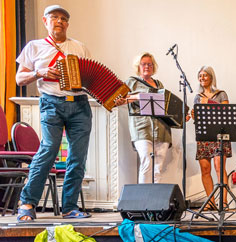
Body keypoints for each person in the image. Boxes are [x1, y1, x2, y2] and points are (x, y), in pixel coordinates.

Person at [14, 5, 125, 221]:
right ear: (46, 22)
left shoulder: (79, 47)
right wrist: (40, 72)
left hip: (80, 105)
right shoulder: (34, 47)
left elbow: (90, 80)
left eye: (64, 18)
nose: (59, 21)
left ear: (67, 24)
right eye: (54, 17)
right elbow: (19, 79)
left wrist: (110, 96)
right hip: (51, 103)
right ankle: (27, 203)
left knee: (78, 157)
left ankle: (70, 207)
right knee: (48, 150)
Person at [124, 53, 172, 184]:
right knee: (146, 162)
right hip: (141, 127)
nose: (147, 66)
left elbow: (165, 104)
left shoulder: (159, 84)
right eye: (144, 64)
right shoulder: (131, 82)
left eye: (150, 64)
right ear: (138, 66)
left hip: (162, 128)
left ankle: (155, 202)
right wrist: (138, 97)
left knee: (158, 167)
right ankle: (143, 200)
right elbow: (121, 99)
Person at [194, 66, 232, 210]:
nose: (202, 78)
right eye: (200, 76)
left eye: (205, 75)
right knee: (205, 169)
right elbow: (198, 116)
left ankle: (223, 201)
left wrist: (208, 103)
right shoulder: (198, 97)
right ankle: (210, 202)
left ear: (211, 77)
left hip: (219, 134)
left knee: (218, 166)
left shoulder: (221, 94)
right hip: (204, 135)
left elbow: (226, 112)